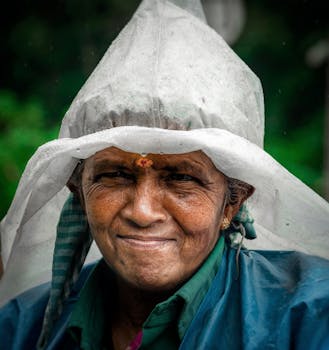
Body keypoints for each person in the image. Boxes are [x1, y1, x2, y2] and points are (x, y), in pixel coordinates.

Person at [1, 0, 329, 349]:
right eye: (114, 174)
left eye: (181, 179)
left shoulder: (309, 318)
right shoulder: (23, 328)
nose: (142, 212)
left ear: (232, 203)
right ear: (79, 192)